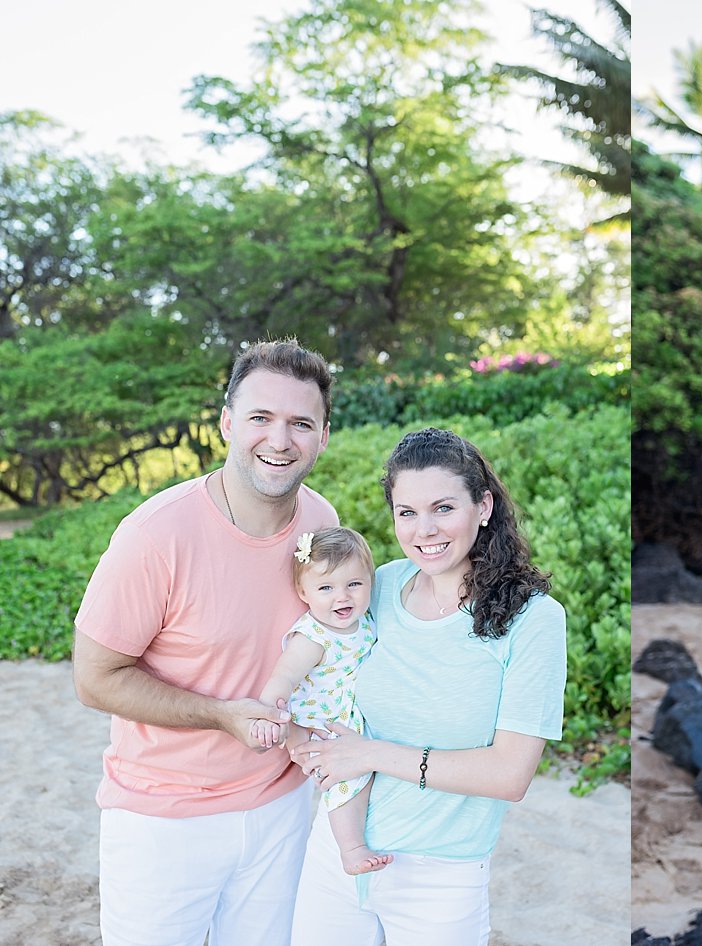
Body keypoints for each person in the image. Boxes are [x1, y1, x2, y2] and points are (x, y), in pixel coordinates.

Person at [72, 339, 340, 946]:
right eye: (260, 418)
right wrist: (220, 717)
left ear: (323, 436)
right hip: (162, 819)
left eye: (301, 423)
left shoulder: (322, 523)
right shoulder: (155, 534)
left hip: (283, 805)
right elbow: (94, 678)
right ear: (226, 424)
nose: (280, 440)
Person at [290, 426, 567, 943]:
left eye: (443, 508)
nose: (424, 530)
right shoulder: (378, 586)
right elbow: (315, 666)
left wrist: (370, 753)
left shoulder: (535, 619)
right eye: (406, 512)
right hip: (337, 854)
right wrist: (303, 742)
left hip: (440, 878)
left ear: (482, 507)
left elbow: (510, 776)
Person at [249, 525, 391, 876]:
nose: (341, 597)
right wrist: (270, 716)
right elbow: (283, 677)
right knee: (347, 780)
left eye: (354, 585)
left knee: (367, 772)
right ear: (303, 591)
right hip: (321, 724)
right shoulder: (314, 636)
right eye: (325, 588)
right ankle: (351, 848)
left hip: (349, 713)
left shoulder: (366, 621)